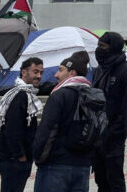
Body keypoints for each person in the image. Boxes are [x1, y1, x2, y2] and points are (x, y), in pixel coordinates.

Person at [32, 51, 93, 192]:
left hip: (56, 165)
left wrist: (38, 157)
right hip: (83, 165)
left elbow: (47, 130)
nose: (56, 75)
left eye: (60, 70)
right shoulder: (93, 96)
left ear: (72, 73)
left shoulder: (59, 95)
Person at [91, 32, 127, 192]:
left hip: (113, 138)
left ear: (113, 47)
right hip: (97, 135)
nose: (99, 50)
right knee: (101, 180)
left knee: (115, 180)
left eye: (102, 46)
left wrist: (114, 134)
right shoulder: (99, 70)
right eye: (98, 46)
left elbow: (126, 108)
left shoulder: (126, 71)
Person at [0, 57, 44, 192]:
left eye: (41, 73)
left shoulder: (25, 94)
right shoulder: (21, 95)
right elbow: (12, 129)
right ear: (23, 72)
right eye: (35, 72)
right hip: (13, 159)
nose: (39, 76)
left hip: (13, 158)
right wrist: (21, 156)